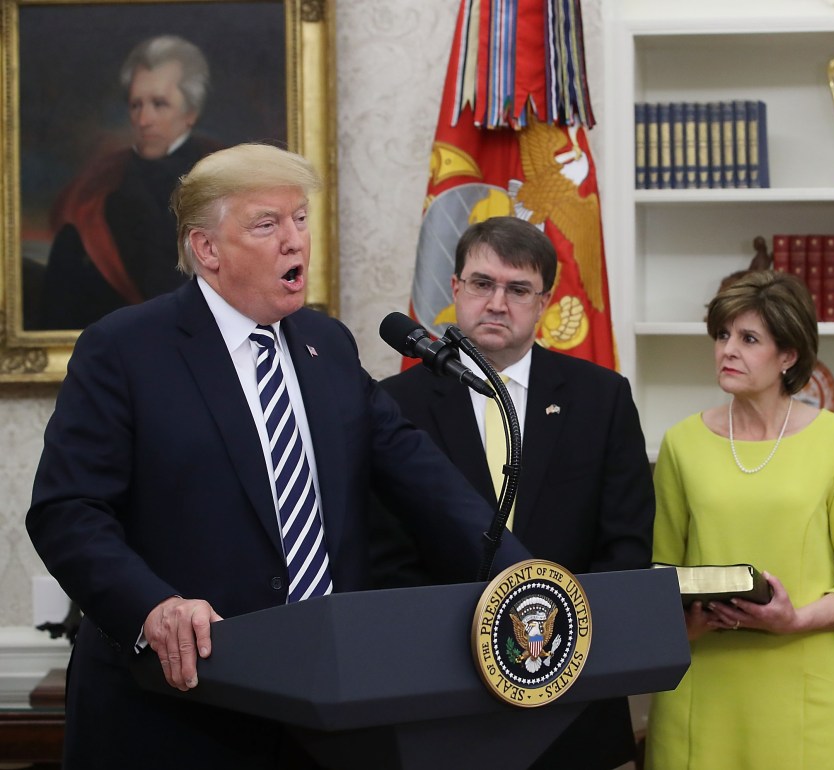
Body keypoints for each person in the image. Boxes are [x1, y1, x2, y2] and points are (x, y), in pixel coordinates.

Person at [25, 143, 530, 770]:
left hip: (323, 711)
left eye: (299, 219)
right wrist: (152, 606)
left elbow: (419, 474)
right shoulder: (125, 350)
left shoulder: (327, 344)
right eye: (267, 224)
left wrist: (524, 579)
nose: (295, 241)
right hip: (176, 710)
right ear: (206, 249)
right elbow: (67, 511)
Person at [377, 215, 655, 770]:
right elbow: (386, 555)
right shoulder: (395, 404)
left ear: (545, 302)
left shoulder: (601, 398)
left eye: (518, 289)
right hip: (444, 696)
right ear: (455, 290)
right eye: (482, 284)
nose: (497, 303)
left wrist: (560, 649)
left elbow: (624, 546)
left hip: (574, 689)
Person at [644, 270, 834, 770]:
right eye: (722, 335)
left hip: (809, 693)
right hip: (701, 688)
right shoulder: (681, 443)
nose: (727, 350)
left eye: (748, 338)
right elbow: (658, 570)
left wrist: (794, 619)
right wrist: (684, 623)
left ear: (788, 355)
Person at [34, 34, 221, 330]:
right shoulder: (93, 189)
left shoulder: (226, 175)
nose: (144, 119)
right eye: (136, 105)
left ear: (191, 113)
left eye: (159, 104)